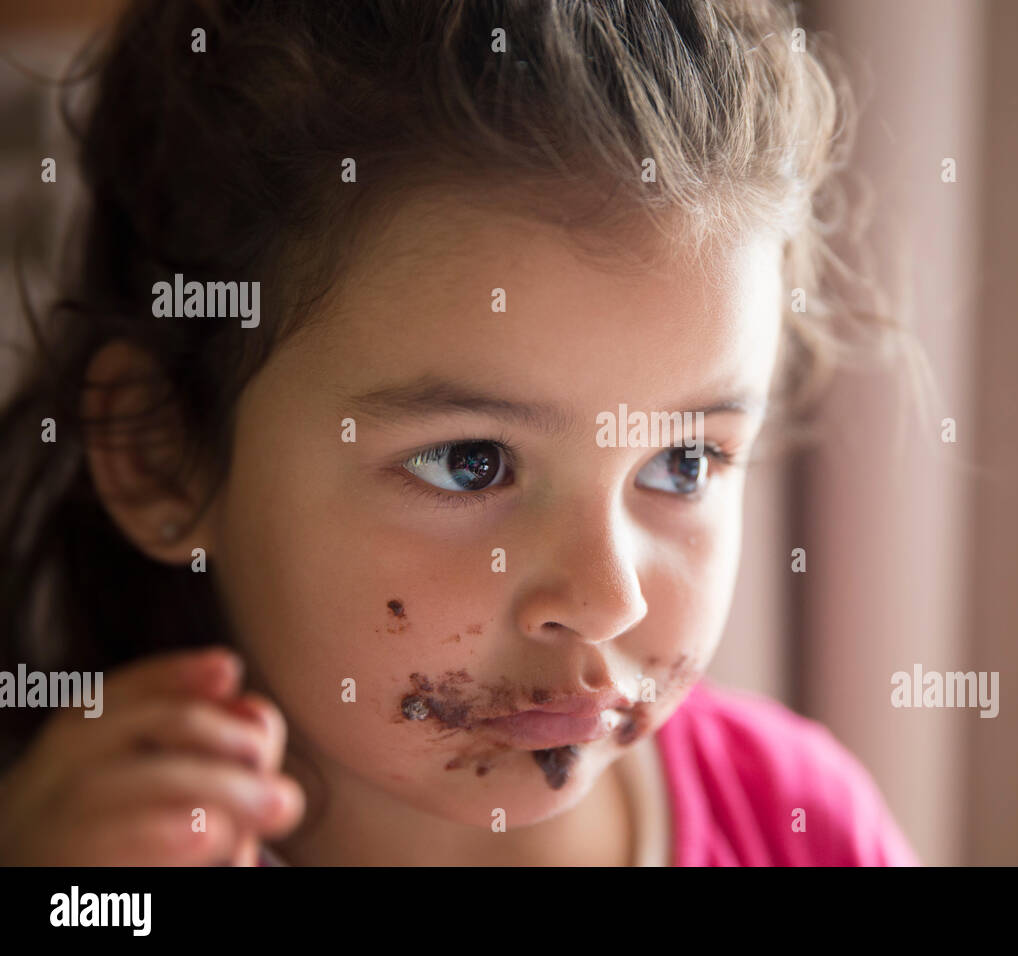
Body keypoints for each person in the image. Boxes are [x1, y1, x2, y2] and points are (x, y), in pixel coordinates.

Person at [0, 0, 918, 866]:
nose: (608, 602)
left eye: (683, 462)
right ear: (166, 459)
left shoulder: (801, 822)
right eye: (471, 465)